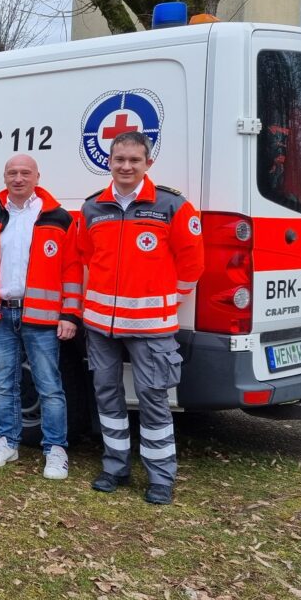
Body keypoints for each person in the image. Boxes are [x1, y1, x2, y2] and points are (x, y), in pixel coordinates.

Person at [79, 131, 205, 504]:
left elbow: (193, 264)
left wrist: (168, 302)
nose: (126, 166)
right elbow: (86, 256)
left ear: (148, 163)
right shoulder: (92, 208)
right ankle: (114, 467)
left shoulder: (172, 206)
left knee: (153, 399)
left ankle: (160, 477)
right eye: (120, 159)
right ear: (109, 162)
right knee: (107, 396)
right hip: (101, 324)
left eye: (135, 160)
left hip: (152, 327)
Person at [0, 154, 82, 479]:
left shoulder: (58, 218)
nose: (18, 178)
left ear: (37, 176)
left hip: (43, 317)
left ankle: (55, 450)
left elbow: (72, 270)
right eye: (12, 173)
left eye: (25, 172)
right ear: (4, 177)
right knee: (3, 383)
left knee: (49, 385)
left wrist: (70, 313)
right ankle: (7, 442)